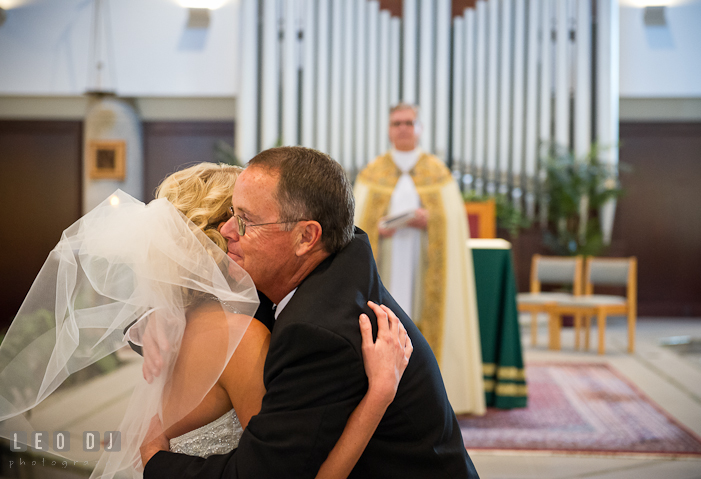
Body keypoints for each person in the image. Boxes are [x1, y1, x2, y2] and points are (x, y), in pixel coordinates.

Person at [0, 163, 411, 479]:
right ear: (221, 239)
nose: (239, 229)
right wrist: (381, 394)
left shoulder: (176, 324)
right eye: (237, 218)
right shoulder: (243, 338)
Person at [142, 147, 480, 478]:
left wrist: (155, 461)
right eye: (229, 215)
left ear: (307, 236)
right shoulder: (324, 259)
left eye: (244, 219)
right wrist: (161, 312)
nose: (229, 231)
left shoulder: (317, 332)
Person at [354, 103, 486, 415]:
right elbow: (357, 223)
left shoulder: (437, 173)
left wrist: (432, 221)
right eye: (397, 123)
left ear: (420, 128)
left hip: (423, 266)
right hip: (386, 265)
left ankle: (433, 392)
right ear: (389, 129)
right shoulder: (372, 173)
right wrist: (377, 228)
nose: (403, 128)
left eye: (409, 123)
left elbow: (452, 222)